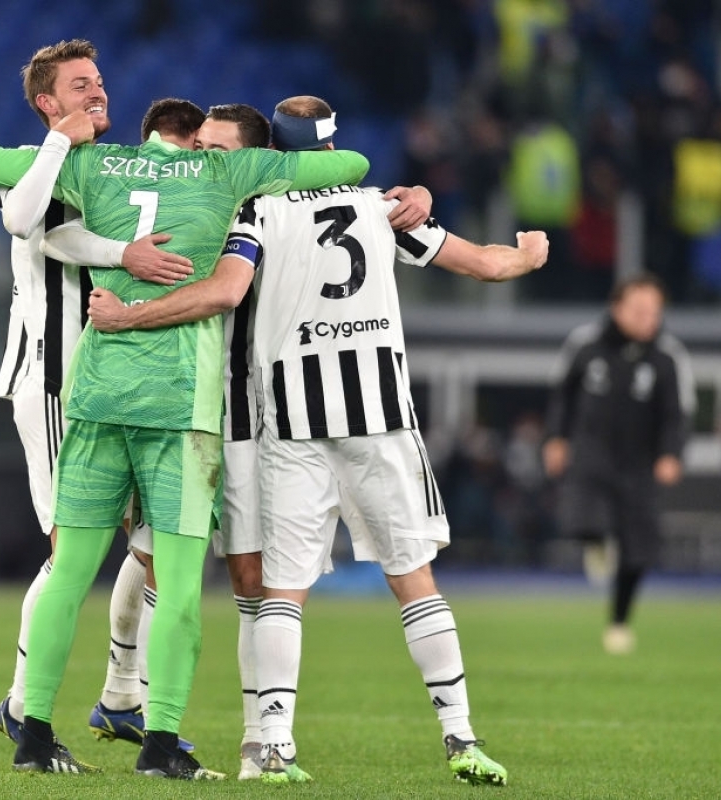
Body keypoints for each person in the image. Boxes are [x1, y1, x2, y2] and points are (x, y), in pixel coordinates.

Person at [86, 94, 548, 786]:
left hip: (276, 422)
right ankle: (458, 734)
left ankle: (264, 741)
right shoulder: (376, 207)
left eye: (219, 152)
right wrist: (528, 252)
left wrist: (126, 315)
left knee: (266, 586)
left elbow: (223, 290)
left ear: (268, 154)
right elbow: (486, 263)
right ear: (330, 147)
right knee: (402, 576)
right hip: (357, 417)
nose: (207, 162)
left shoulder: (254, 211)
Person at [0, 94, 370, 780]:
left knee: (68, 572)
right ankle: (160, 746)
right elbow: (350, 164)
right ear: (196, 140)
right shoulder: (228, 172)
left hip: (96, 394)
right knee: (176, 585)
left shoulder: (99, 164)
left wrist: (61, 139)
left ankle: (35, 735)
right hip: (180, 405)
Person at [0, 38, 196, 757]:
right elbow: (25, 222)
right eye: (78, 85)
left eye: (99, 81)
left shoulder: (118, 167)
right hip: (55, 381)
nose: (97, 91)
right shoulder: (32, 162)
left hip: (127, 381)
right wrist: (60, 145)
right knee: (71, 550)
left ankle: (123, 694)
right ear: (47, 102)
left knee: (154, 545)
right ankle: (21, 704)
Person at [543, 274, 695, 655]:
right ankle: (596, 541)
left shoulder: (668, 356)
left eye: (655, 312)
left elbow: (678, 414)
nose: (648, 320)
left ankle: (619, 622)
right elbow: (562, 396)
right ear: (617, 308)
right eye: (640, 311)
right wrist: (556, 438)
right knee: (584, 516)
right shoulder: (585, 344)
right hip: (591, 454)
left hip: (639, 462)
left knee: (638, 549)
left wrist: (672, 454)